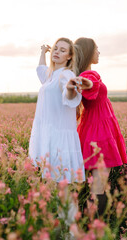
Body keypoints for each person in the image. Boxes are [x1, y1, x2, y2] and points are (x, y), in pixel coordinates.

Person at [29, 38, 86, 227]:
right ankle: (58, 227)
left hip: (60, 140)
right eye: (55, 49)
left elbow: (69, 95)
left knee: (64, 188)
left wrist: (71, 89)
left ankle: (70, 230)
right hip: (49, 137)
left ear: (70, 56)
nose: (57, 52)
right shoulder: (51, 75)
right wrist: (42, 52)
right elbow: (41, 71)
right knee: (52, 186)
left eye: (62, 50)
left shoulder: (65, 75)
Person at [71, 37, 127, 217]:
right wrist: (82, 83)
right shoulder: (88, 75)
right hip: (100, 133)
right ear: (88, 52)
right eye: (97, 49)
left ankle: (89, 227)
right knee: (99, 185)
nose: (99, 53)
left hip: (95, 129)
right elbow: (89, 85)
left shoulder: (87, 74)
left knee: (96, 184)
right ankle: (94, 229)